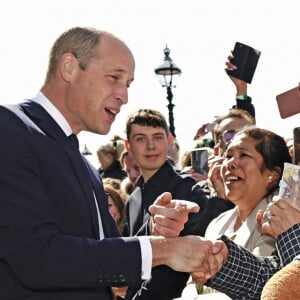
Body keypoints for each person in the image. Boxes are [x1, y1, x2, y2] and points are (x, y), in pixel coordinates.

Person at [0, 26, 225, 300]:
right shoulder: (9, 128)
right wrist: (165, 250)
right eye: (114, 78)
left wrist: (158, 231)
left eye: (127, 84)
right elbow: (35, 257)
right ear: (69, 67)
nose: (124, 96)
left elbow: (104, 256)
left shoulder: (86, 168)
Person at [149, 127, 293, 300]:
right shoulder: (217, 222)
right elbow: (192, 288)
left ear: (272, 174)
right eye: (228, 156)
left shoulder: (281, 223)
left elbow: (265, 286)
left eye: (244, 155)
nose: (230, 163)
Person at [123, 108, 208, 300]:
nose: (151, 146)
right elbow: (136, 260)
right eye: (140, 139)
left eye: (157, 137)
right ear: (128, 146)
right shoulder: (132, 200)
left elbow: (179, 269)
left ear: (169, 141)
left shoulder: (188, 189)